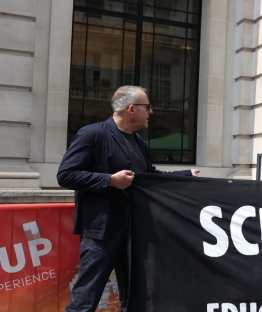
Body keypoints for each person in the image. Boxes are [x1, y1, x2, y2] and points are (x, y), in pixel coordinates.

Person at [57, 85, 199, 312]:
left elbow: (150, 177)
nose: (150, 113)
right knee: (85, 299)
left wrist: (186, 175)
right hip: (100, 233)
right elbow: (65, 175)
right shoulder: (93, 134)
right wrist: (110, 180)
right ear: (131, 109)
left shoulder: (138, 142)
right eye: (147, 107)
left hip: (134, 231)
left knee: (135, 299)